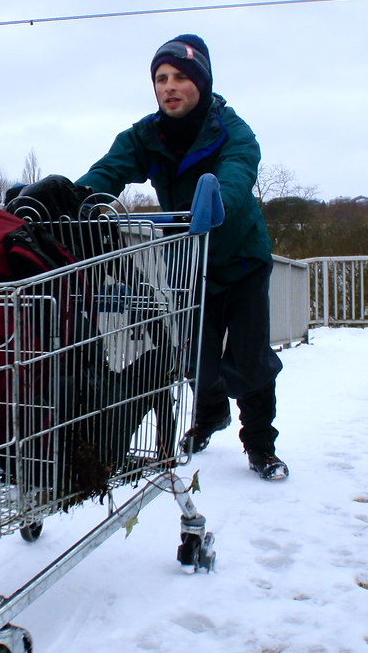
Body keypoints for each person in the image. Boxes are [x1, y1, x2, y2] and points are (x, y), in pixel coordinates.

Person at [73, 34, 288, 481]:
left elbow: (236, 173)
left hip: (241, 258)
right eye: (161, 78)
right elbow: (109, 171)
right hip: (190, 262)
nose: (169, 86)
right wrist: (73, 200)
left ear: (202, 83)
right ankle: (210, 418)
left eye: (181, 77)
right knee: (198, 360)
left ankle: (260, 445)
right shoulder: (147, 135)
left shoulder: (232, 130)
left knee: (248, 361)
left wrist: (217, 205)